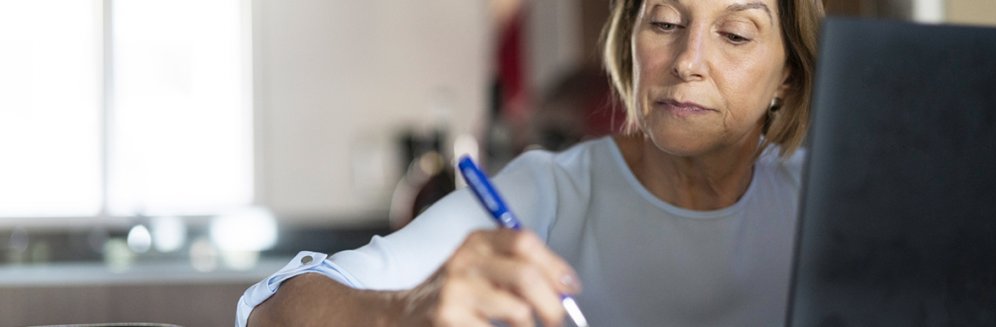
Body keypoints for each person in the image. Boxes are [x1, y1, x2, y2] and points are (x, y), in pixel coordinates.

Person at [237, 0, 823, 325]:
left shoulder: (825, 203)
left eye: (737, 34)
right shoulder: (550, 192)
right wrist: (402, 312)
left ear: (787, 75)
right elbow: (268, 310)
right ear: (632, 42)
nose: (688, 61)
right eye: (666, 23)